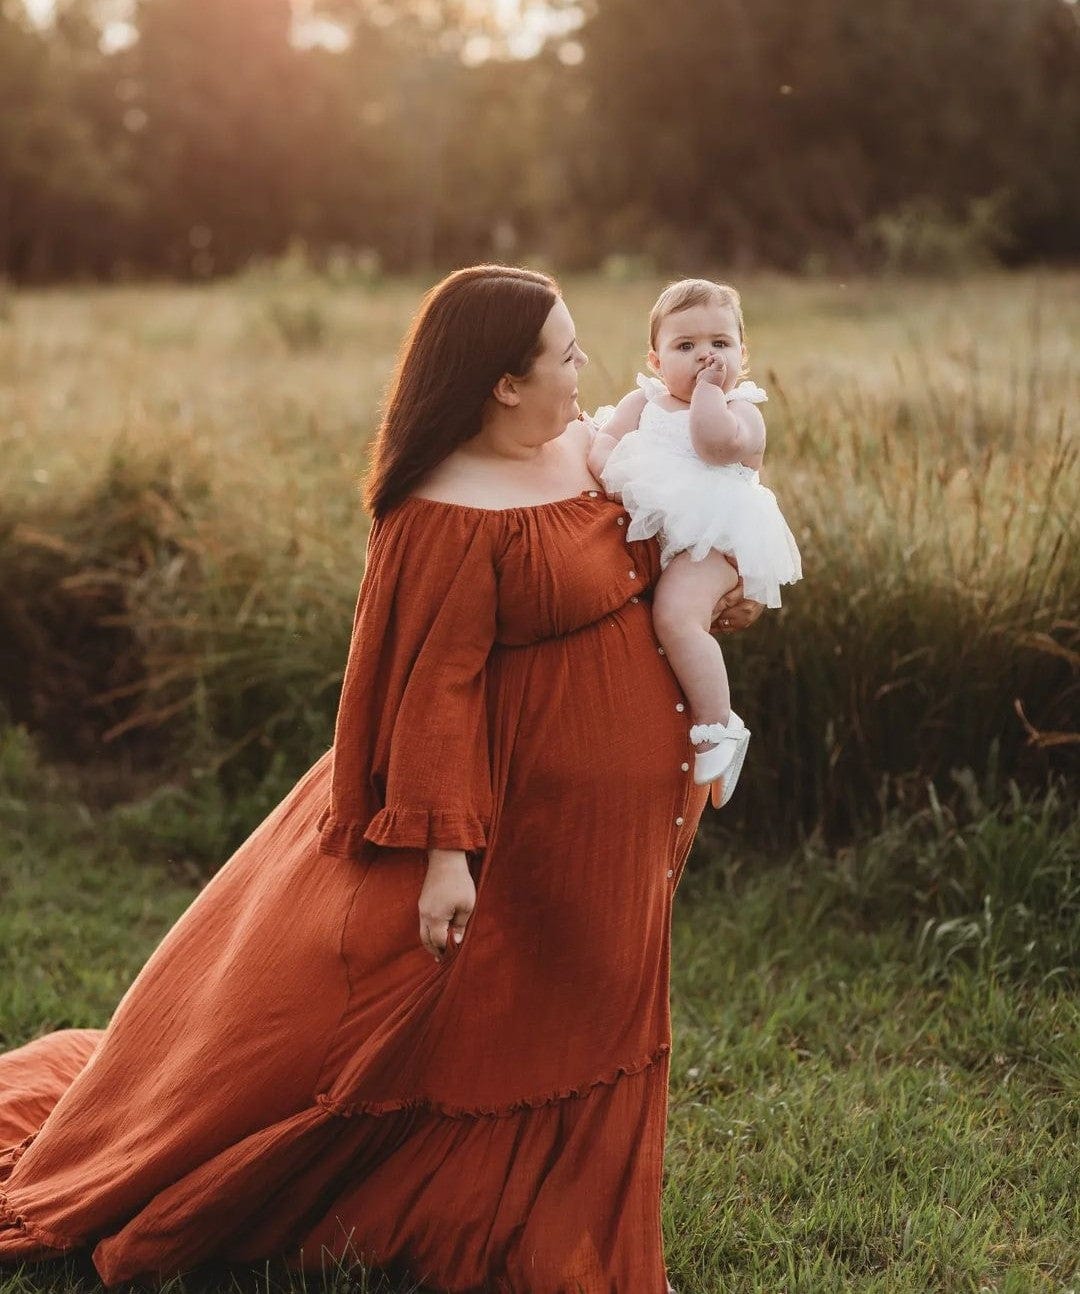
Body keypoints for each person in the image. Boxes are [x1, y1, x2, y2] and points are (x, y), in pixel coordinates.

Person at [0, 265, 761, 1294]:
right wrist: (448, 853)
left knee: (585, 1003)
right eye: (567, 355)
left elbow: (652, 569)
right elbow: (429, 694)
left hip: (609, 819)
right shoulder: (440, 509)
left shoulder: (589, 450)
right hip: (507, 814)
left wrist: (726, 580)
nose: (589, 369)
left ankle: (558, 1213)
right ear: (501, 383)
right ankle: (476, 1218)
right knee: (426, 1019)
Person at [587, 279, 801, 808]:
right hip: (664, 536)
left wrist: (707, 391)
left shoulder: (742, 410)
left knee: (677, 616)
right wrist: (607, 470)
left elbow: (713, 446)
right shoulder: (642, 400)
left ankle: (718, 724)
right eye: (686, 347)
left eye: (720, 345)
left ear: (742, 356)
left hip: (716, 539)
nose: (706, 356)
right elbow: (606, 443)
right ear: (656, 360)